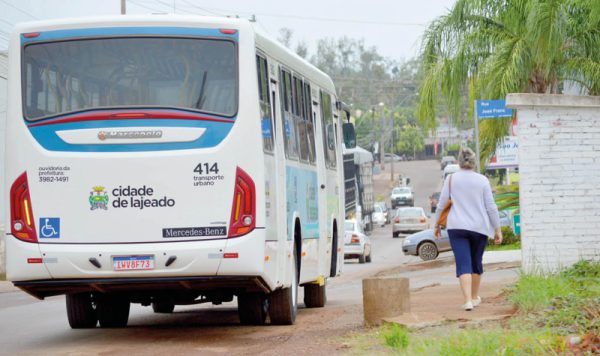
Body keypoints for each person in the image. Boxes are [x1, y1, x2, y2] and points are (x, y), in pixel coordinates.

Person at [434, 147, 502, 311]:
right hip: (479, 228)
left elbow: (441, 204)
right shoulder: (482, 180)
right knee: (475, 262)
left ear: (458, 161)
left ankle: (468, 301)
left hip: (457, 227)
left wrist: (436, 224)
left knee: (463, 263)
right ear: (474, 162)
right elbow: (491, 207)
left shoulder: (450, 179)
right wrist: (497, 229)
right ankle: (474, 297)